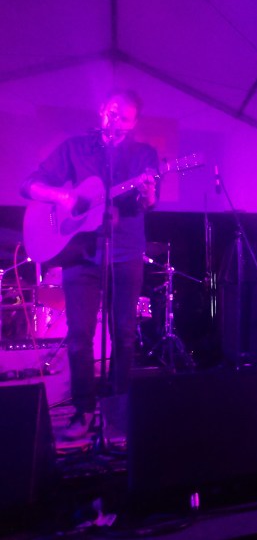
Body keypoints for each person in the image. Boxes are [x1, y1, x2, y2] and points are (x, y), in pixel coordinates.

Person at [21, 89, 158, 439]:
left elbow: (147, 202)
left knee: (123, 334)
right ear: (101, 111)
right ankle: (83, 411)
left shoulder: (144, 155)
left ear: (133, 123)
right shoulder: (75, 148)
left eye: (124, 117)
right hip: (79, 254)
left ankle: (117, 413)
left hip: (125, 253)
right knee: (79, 336)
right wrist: (62, 195)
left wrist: (148, 193)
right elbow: (29, 185)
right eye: (112, 112)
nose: (116, 120)